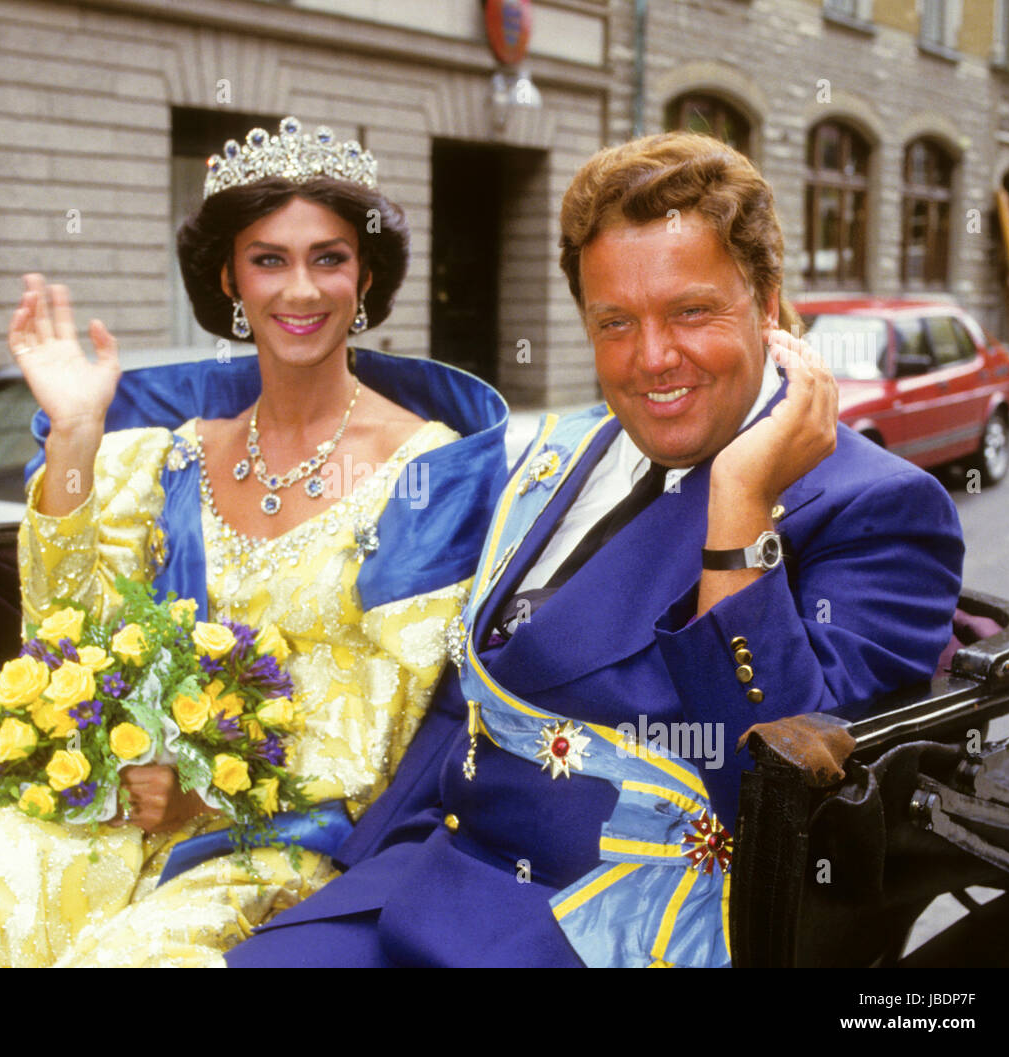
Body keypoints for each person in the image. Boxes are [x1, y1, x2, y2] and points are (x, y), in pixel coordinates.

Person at [0, 118, 508, 967]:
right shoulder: (168, 456)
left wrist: (203, 787)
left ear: (365, 279)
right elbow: (64, 631)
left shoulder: (426, 469)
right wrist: (74, 432)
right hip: (115, 804)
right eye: (268, 259)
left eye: (329, 257)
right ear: (229, 281)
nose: (301, 290)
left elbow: (380, 730)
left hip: (272, 843)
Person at [225, 132, 965, 967]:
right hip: (426, 866)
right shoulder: (568, 446)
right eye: (616, 322)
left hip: (604, 923)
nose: (652, 359)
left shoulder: (876, 504)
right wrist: (343, 853)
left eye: (691, 311)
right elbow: (469, 693)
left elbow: (788, 808)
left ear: (766, 301)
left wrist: (742, 510)